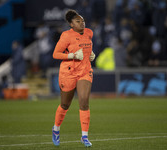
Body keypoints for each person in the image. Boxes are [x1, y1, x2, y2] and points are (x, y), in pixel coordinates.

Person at [52, 9, 95, 147]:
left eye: (82, 21)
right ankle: (56, 129)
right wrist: (72, 56)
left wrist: (91, 53)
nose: (82, 23)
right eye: (78, 21)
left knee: (84, 101)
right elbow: (56, 54)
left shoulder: (89, 33)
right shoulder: (66, 36)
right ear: (71, 24)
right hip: (68, 72)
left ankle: (84, 136)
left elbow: (85, 45)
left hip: (85, 71)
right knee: (65, 104)